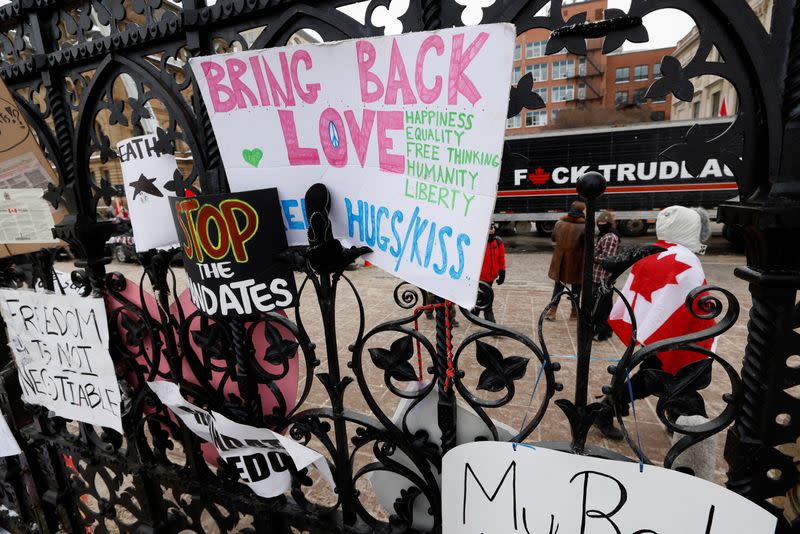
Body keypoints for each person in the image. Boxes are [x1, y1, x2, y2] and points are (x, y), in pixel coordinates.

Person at [594, 206, 716, 440]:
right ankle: (685, 427)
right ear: (692, 229)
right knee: (676, 378)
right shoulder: (684, 260)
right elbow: (695, 304)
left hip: (659, 331)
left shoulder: (657, 252)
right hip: (680, 336)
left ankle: (613, 409)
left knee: (653, 374)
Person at [546, 201, 586, 321]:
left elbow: (553, 238)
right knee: (576, 288)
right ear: (581, 212)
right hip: (576, 262)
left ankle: (552, 312)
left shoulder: (559, 223)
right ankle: (574, 313)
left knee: (558, 287)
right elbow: (587, 245)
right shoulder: (584, 226)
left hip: (561, 261)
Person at [592, 211, 620, 341]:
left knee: (601, 306)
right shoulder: (605, 235)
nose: (600, 225)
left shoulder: (610, 237)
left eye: (603, 223)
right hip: (601, 276)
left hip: (603, 277)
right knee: (606, 305)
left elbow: (608, 258)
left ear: (608, 224)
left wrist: (592, 257)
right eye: (599, 222)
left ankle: (601, 332)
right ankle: (607, 330)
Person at [475, 223, 506, 322]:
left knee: (481, 296)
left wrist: (502, 272)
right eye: (489, 228)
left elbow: (501, 258)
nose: (491, 230)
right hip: (481, 278)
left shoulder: (498, 242)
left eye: (492, 228)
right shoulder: (479, 241)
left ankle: (474, 313)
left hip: (491, 277)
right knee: (487, 300)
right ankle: (491, 322)